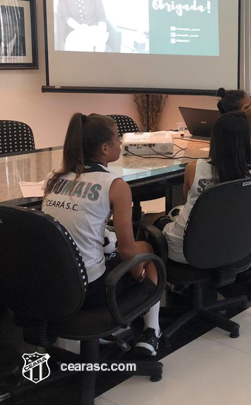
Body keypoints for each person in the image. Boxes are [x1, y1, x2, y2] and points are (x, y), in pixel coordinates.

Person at [40, 113, 162, 356]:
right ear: (105, 148)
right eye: (117, 138)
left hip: (53, 286)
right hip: (90, 290)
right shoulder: (115, 185)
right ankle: (151, 331)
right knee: (145, 250)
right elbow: (127, 251)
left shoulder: (54, 179)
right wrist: (137, 274)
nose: (120, 143)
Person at [145, 111, 251, 265]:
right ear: (247, 140)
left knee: (148, 219)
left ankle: (151, 277)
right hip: (235, 248)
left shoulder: (194, 169)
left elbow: (187, 199)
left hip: (187, 250)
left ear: (214, 139)